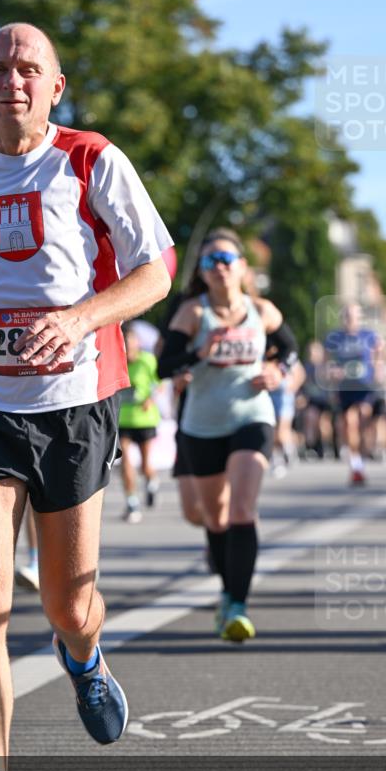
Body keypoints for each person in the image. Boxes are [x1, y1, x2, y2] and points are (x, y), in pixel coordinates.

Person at [0, 24, 172, 771]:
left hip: (73, 405)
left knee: (67, 604)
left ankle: (84, 658)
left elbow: (153, 272)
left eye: (29, 69)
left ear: (55, 87)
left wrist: (84, 317)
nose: (11, 80)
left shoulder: (90, 160)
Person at [157, 228, 296, 642]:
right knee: (214, 519)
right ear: (201, 271)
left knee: (242, 510)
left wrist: (278, 371)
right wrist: (200, 353)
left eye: (226, 259)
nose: (219, 266)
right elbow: (165, 365)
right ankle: (225, 592)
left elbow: (289, 349)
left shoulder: (262, 311)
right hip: (202, 424)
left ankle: (238, 604)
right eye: (209, 261)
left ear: (242, 268)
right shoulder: (192, 314)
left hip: (252, 418)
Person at [323, 302, 383, 486]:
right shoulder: (335, 338)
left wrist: (378, 368)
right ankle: (356, 465)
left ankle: (363, 456)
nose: (350, 320)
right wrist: (332, 373)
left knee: (364, 418)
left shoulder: (369, 335)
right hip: (345, 386)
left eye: (353, 316)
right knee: (349, 423)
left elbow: (380, 352)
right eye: (346, 316)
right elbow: (327, 362)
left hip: (365, 385)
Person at [117, 324, 161, 523]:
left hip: (145, 419)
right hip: (123, 419)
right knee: (125, 462)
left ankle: (152, 482)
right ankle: (132, 502)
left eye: (131, 340)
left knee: (145, 465)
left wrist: (150, 398)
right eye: (125, 341)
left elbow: (159, 383)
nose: (128, 344)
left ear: (137, 342)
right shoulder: (117, 362)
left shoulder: (147, 361)